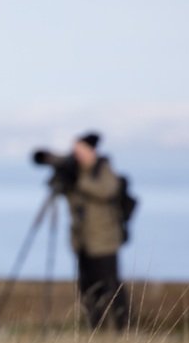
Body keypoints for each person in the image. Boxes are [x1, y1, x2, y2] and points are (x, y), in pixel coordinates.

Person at [33, 132, 130, 331]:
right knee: (87, 286)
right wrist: (61, 175)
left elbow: (107, 190)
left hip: (104, 239)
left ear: (91, 151)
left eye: (80, 150)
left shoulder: (102, 169)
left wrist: (79, 179)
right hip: (82, 240)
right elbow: (61, 190)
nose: (76, 154)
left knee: (110, 284)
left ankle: (122, 326)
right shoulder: (74, 170)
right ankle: (95, 326)